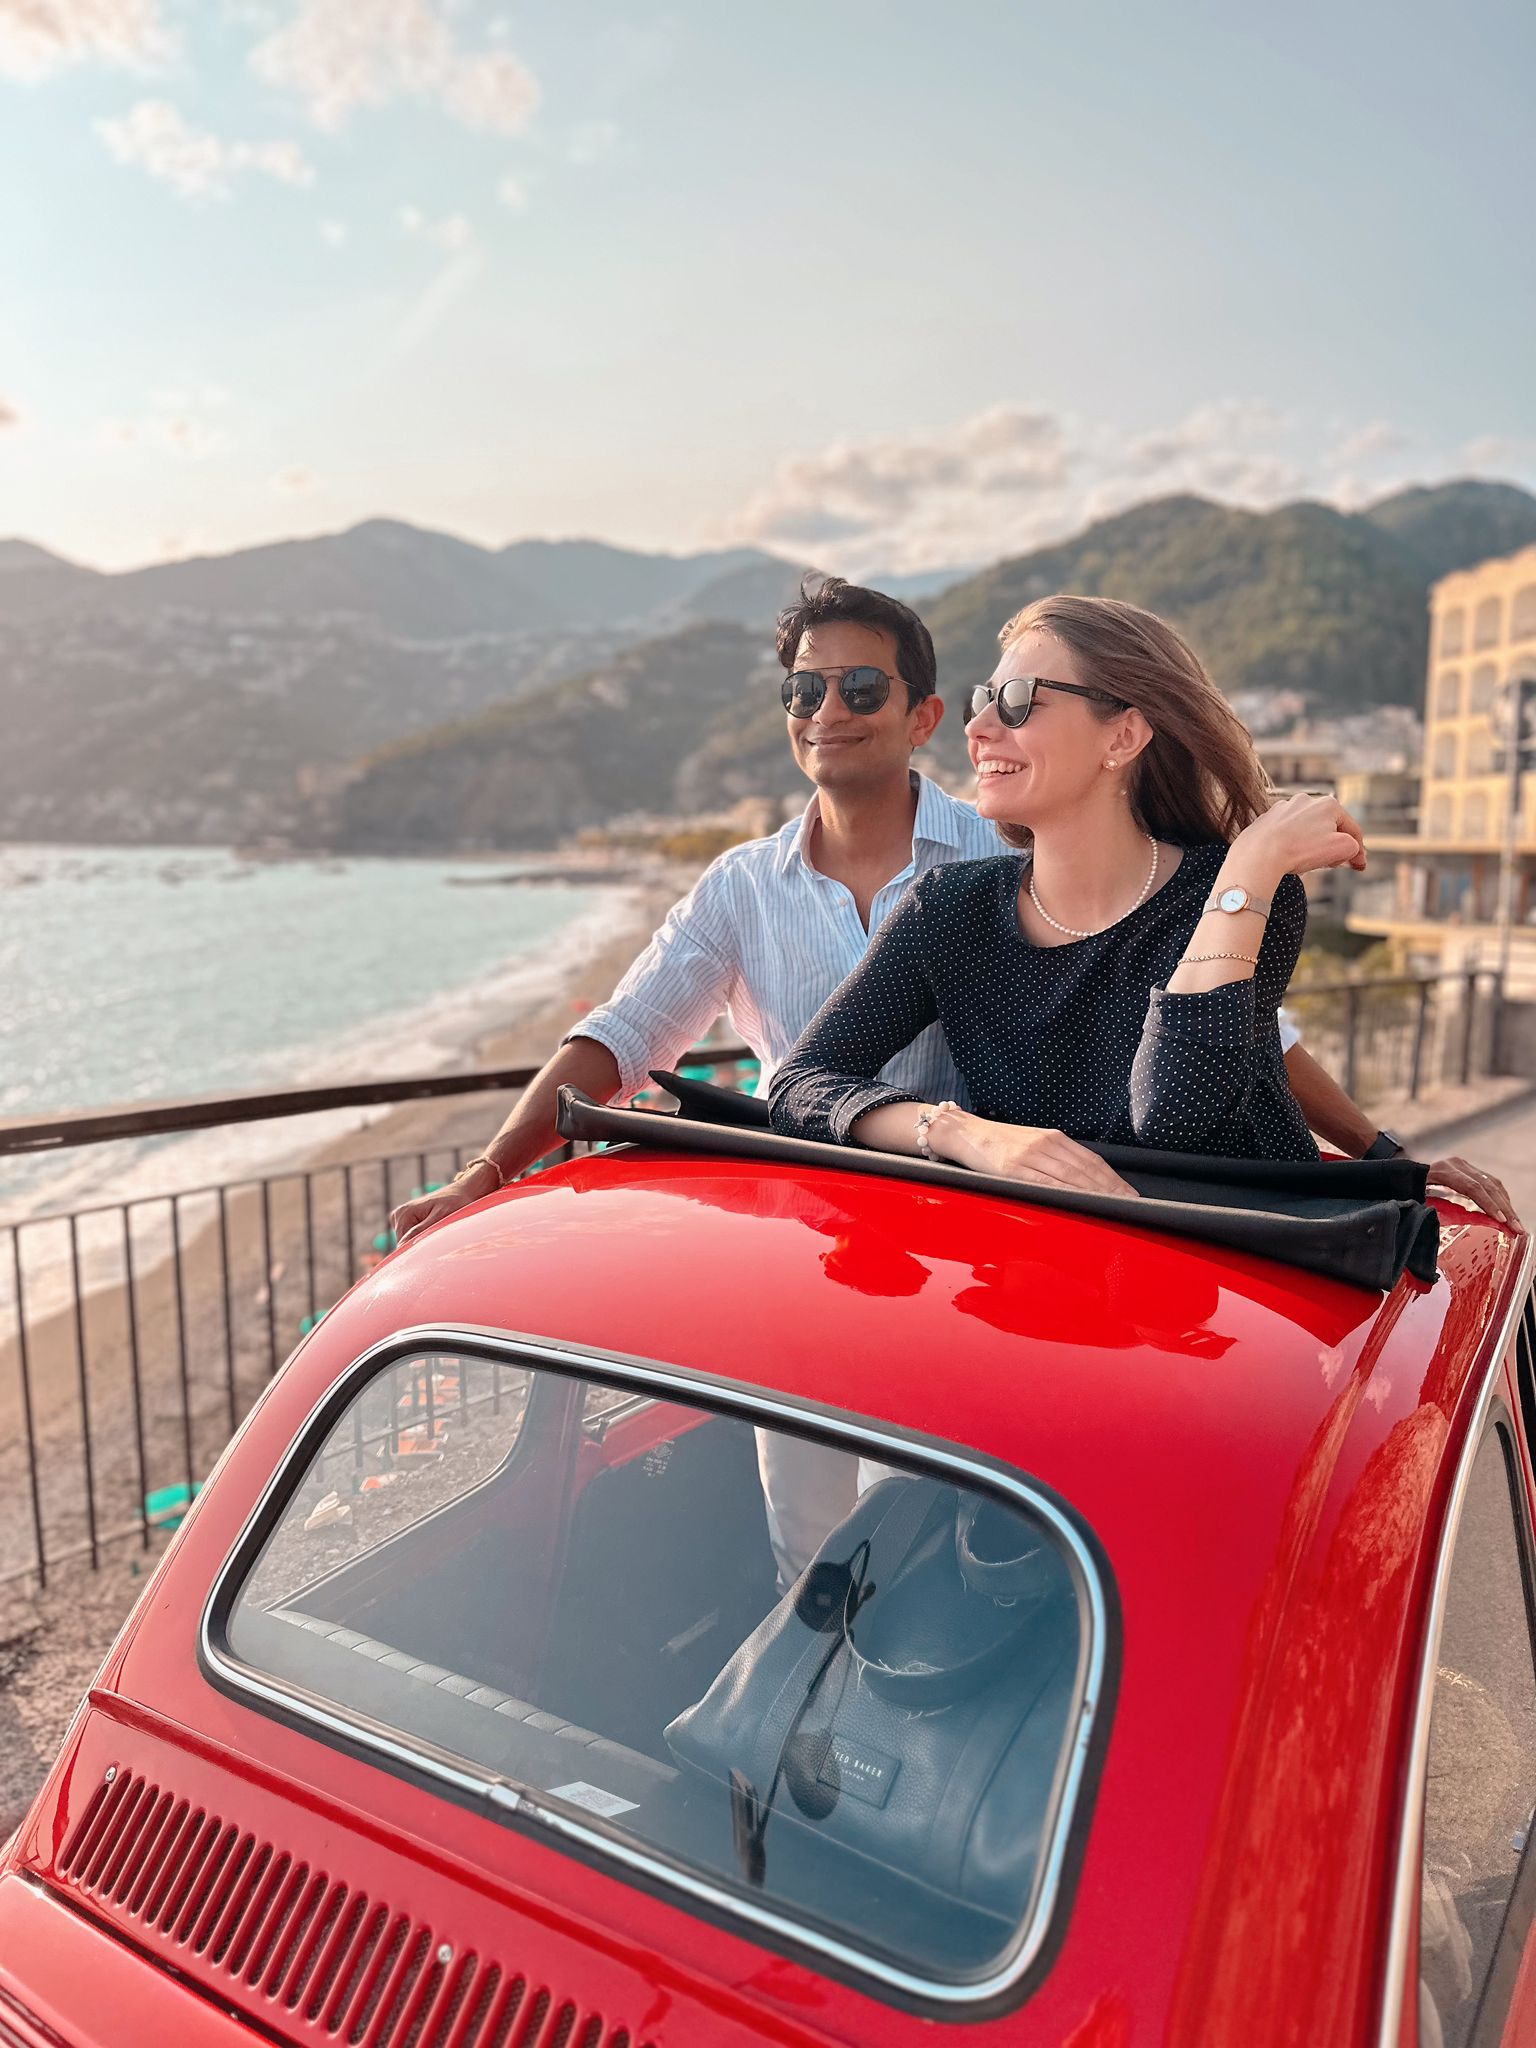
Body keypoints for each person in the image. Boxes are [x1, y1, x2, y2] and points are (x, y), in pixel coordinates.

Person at [769, 593, 1515, 1229]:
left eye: (1020, 701)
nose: (980, 728)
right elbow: (801, 1083)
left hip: (1248, 1288)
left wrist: (1247, 869)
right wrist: (966, 1135)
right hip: (1061, 1277)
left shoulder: (1243, 899)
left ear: (1123, 735)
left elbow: (1173, 1121)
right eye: (982, 701)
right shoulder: (950, 912)